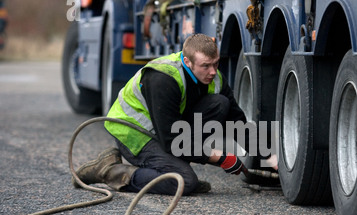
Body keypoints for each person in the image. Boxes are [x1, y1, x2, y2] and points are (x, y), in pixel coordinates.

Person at [73, 33, 276, 195]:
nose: (213, 71)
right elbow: (172, 141)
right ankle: (110, 171)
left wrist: (270, 157)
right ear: (187, 62)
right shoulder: (163, 80)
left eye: (216, 63)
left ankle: (173, 167)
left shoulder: (213, 79)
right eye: (205, 65)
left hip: (166, 131)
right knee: (185, 182)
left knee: (220, 104)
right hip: (134, 133)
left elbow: (237, 124)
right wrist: (220, 158)